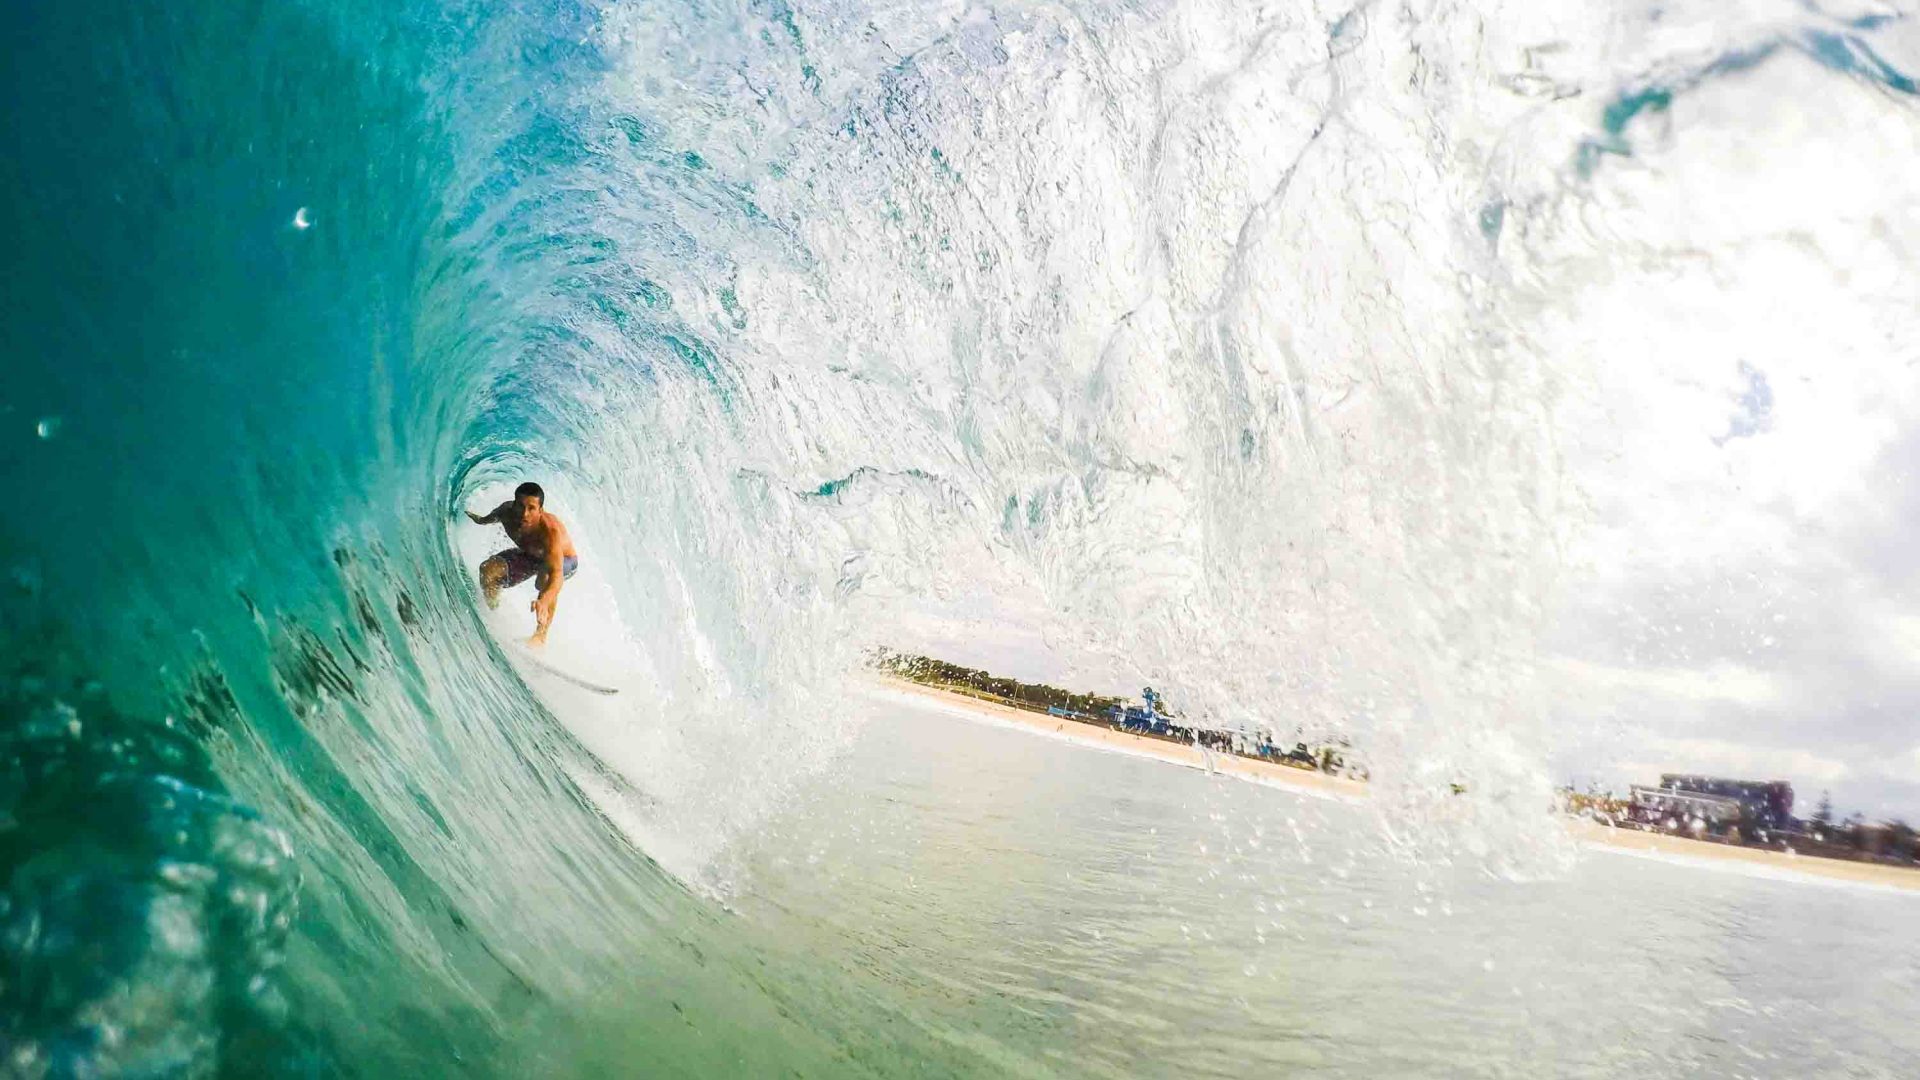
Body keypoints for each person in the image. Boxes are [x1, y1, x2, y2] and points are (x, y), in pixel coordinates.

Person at [465, 481, 579, 646]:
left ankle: (540, 637)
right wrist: (479, 520)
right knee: (488, 570)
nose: (524, 513)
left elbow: (556, 575)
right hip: (531, 556)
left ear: (541, 510)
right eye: (520, 506)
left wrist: (544, 601)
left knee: (544, 578)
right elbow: (488, 519)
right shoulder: (505, 512)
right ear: (514, 503)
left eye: (531, 508)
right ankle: (493, 611)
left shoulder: (550, 532)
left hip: (565, 561)